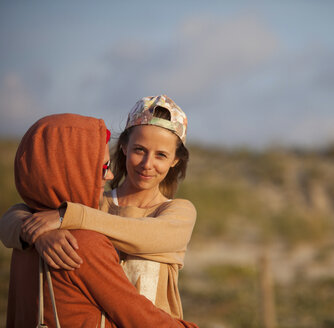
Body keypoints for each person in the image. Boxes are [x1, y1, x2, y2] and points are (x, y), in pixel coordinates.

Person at [0, 95, 196, 319]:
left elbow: (145, 234)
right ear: (123, 147)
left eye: (161, 155)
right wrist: (37, 234)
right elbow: (9, 219)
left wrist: (70, 216)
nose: (147, 164)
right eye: (139, 150)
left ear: (175, 161)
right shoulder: (92, 202)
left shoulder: (177, 212)